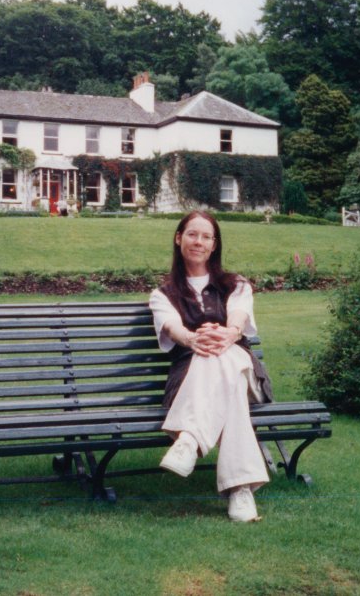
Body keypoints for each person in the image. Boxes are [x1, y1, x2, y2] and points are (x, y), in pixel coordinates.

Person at [149, 210, 274, 522]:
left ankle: (189, 439)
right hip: (190, 381)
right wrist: (193, 340)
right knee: (217, 365)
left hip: (246, 376)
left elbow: (238, 318)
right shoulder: (162, 295)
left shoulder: (236, 284)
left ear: (215, 244)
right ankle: (241, 490)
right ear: (179, 238)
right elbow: (172, 328)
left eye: (206, 237)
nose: (199, 242)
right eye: (192, 234)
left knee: (227, 357)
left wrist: (227, 334)